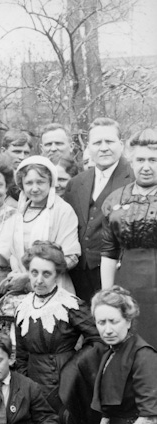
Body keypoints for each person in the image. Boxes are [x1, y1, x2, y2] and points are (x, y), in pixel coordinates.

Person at [78, 286, 157, 424]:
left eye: (114, 321)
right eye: (101, 323)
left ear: (129, 321)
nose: (107, 329)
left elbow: (151, 418)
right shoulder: (110, 354)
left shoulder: (144, 356)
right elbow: (108, 413)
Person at [15, 241, 100, 407]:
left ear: (58, 275)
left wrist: (75, 365)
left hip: (64, 383)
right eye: (34, 273)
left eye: (46, 274)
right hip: (33, 385)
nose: (39, 280)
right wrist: (25, 387)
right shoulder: (23, 307)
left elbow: (98, 337)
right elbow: (21, 355)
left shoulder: (69, 305)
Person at [64, 117, 134, 303]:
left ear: (121, 144)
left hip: (120, 273)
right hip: (80, 276)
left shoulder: (135, 180)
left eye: (109, 141)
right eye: (97, 143)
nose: (103, 147)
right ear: (89, 147)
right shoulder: (76, 183)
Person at [100, 128, 157, 345]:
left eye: (153, 160)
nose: (146, 166)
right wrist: (108, 297)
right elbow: (108, 251)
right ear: (131, 162)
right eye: (140, 159)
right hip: (127, 284)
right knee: (129, 343)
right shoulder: (115, 199)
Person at [15, 156, 80, 293]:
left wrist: (31, 276)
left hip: (54, 287)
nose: (34, 188)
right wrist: (17, 274)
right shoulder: (20, 212)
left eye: (40, 182)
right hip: (22, 289)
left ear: (50, 182)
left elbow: (71, 257)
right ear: (22, 185)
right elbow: (14, 253)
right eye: (29, 183)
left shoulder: (62, 210)